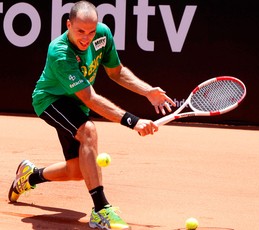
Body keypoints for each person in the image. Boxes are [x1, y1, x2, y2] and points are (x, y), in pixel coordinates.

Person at [8, 1, 175, 229]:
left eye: (91, 31)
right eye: (80, 31)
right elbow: (91, 99)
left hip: (76, 104)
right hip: (50, 100)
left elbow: (116, 72)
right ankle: (101, 209)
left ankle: (29, 177)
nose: (86, 38)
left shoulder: (102, 35)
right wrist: (133, 122)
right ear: (68, 25)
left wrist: (147, 91)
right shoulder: (60, 52)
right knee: (88, 130)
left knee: (77, 171)